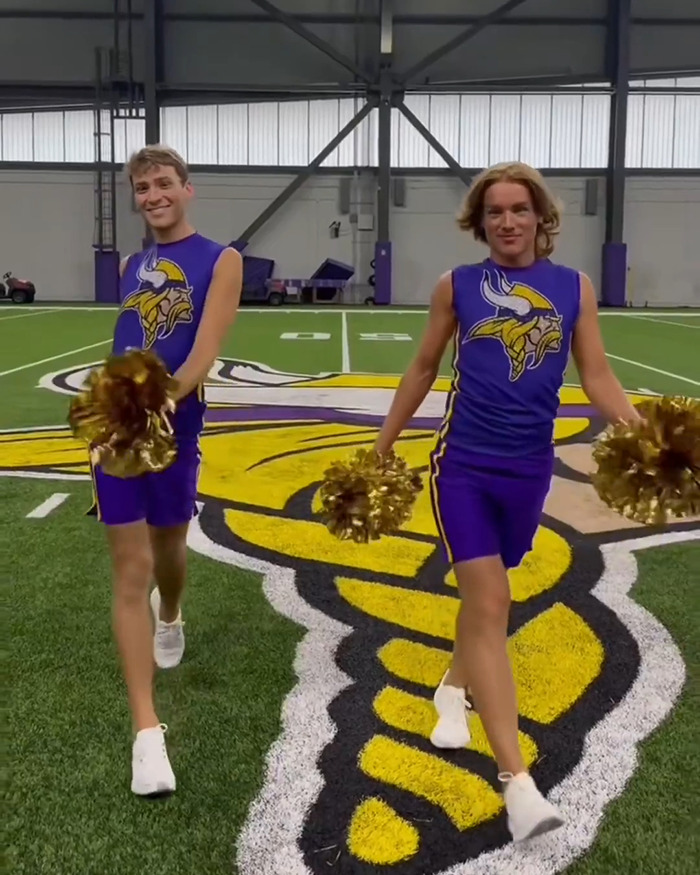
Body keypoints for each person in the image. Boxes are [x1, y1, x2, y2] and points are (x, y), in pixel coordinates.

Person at [373, 161, 641, 842]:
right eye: (495, 211)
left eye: (519, 209)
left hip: (529, 472)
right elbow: (424, 366)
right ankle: (517, 781)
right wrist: (387, 437)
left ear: (541, 216)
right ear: (480, 221)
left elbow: (598, 372)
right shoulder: (456, 286)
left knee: (488, 599)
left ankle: (450, 686)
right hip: (462, 467)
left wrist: (644, 435)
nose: (508, 221)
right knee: (490, 603)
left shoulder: (573, 288)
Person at [89, 145, 243, 796]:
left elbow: (203, 352)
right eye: (142, 187)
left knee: (169, 548)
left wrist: (158, 399)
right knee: (130, 568)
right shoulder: (132, 263)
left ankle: (172, 611)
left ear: (187, 188)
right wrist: (115, 408)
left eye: (162, 184)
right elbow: (126, 342)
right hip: (119, 422)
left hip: (176, 418)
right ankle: (147, 735)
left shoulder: (221, 259)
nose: (152, 194)